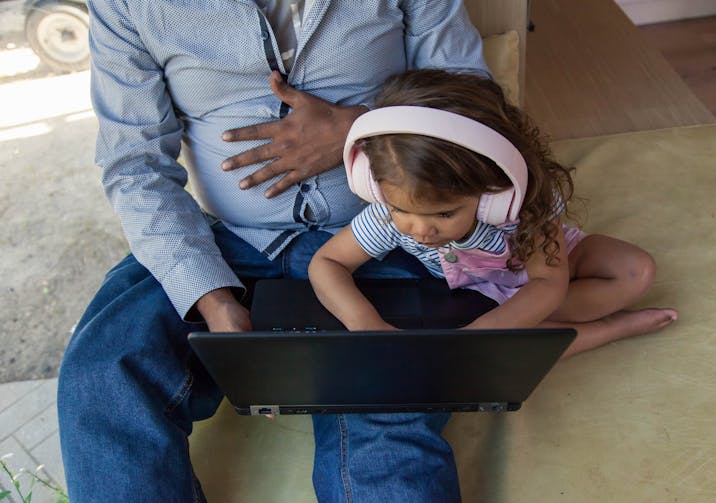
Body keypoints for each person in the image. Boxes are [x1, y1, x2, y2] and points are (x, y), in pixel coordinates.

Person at [58, 2, 490, 502]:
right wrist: (211, 296)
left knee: (388, 399)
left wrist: (363, 129)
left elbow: (475, 105)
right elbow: (135, 165)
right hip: (220, 239)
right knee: (103, 371)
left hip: (382, 233)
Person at [309, 69, 678, 358]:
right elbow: (326, 263)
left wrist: (489, 330)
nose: (420, 229)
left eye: (444, 213)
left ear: (492, 195)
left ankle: (536, 327)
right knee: (510, 350)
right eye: (401, 209)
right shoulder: (389, 217)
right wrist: (364, 322)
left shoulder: (524, 208)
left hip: (547, 274)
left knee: (636, 270)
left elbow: (547, 283)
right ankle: (610, 329)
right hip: (476, 295)